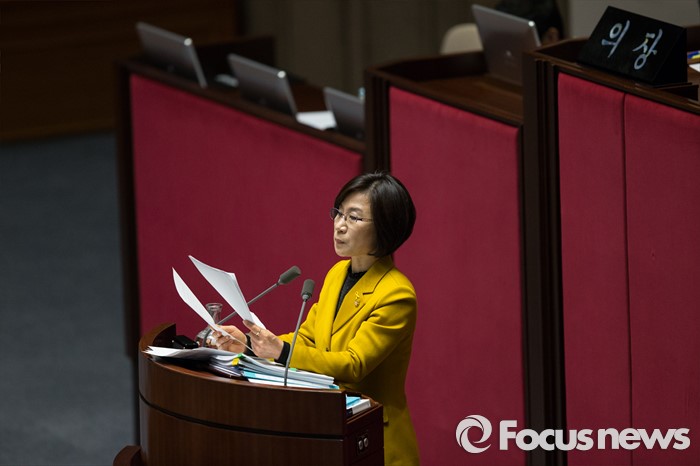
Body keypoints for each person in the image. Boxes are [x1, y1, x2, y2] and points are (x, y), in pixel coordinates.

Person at [212, 172, 420, 466]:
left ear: (385, 227)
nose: (340, 225)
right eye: (339, 213)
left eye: (354, 218)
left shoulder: (396, 294)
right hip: (326, 426)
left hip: (373, 437)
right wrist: (248, 344)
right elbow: (307, 339)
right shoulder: (337, 274)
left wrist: (281, 352)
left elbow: (353, 364)